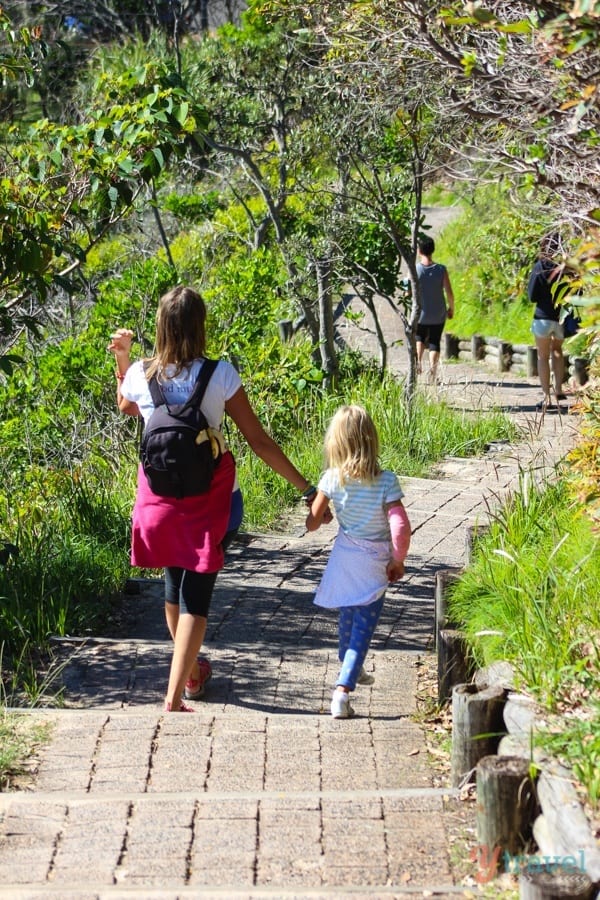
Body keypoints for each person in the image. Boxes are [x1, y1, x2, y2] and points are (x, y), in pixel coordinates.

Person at [108, 285, 318, 712]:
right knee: (195, 598)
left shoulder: (142, 375)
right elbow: (259, 441)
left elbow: (126, 406)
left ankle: (192, 674)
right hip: (213, 502)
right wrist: (308, 489)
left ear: (161, 327)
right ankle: (174, 695)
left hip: (159, 501)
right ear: (200, 325)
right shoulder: (221, 374)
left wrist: (124, 356)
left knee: (173, 592)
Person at [305, 405, 411, 719]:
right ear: (372, 440)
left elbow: (312, 523)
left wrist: (322, 515)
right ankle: (342, 691)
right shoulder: (386, 481)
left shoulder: (331, 479)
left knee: (348, 616)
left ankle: (351, 663)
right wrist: (397, 560)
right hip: (373, 562)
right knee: (363, 630)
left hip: (344, 558)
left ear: (335, 443)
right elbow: (400, 526)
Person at [527, 233, 572, 410]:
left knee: (543, 356)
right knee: (558, 351)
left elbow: (532, 296)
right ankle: (559, 388)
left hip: (542, 317)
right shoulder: (565, 268)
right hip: (561, 317)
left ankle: (547, 398)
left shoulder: (540, 267)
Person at [415, 236, 455, 383]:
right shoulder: (441, 270)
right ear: (433, 250)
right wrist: (451, 308)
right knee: (434, 342)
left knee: (419, 337)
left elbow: (407, 292)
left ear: (419, 251)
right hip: (438, 313)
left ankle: (418, 362)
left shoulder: (415, 270)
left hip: (420, 313)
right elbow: (449, 292)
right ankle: (433, 372)